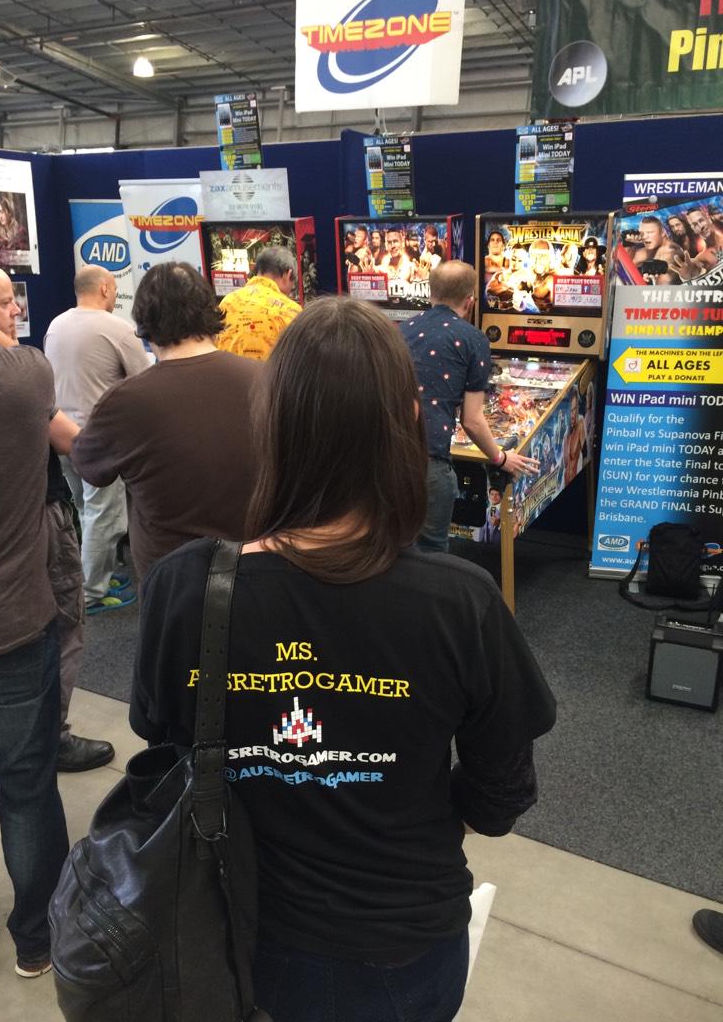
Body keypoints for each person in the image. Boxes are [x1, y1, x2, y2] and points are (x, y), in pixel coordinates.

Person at [130, 296, 556, 1022]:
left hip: (228, 935)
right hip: (404, 945)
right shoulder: (461, 602)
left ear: (271, 422)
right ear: (409, 420)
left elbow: (163, 747)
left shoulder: (182, 586)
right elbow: (501, 797)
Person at [0, 224, 70, 977]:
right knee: (27, 786)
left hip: (1, 624)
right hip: (13, 622)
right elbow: (1, 344)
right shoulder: (27, 377)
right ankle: (37, 938)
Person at [0, 266, 114, 772]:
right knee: (59, 627)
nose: (17, 309)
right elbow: (72, 441)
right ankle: (50, 738)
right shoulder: (15, 373)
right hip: (37, 522)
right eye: (2, 302)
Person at [71, 262, 260, 583]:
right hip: (258, 571)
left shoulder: (125, 401)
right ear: (208, 309)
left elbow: (89, 467)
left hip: (171, 581)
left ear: (144, 319)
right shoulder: (268, 381)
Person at [400, 260, 538, 553]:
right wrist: (500, 458)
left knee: (392, 550)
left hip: (384, 459)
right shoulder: (473, 339)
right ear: (470, 301)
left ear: (429, 293)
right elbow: (472, 420)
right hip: (429, 464)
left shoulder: (401, 330)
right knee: (431, 555)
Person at [44, 265, 151, 614]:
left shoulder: (55, 325)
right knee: (105, 517)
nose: (115, 293)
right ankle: (91, 591)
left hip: (61, 435)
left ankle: (92, 576)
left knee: (85, 511)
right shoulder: (117, 328)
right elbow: (146, 382)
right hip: (100, 439)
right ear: (105, 288)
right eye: (115, 288)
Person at [217, 246, 302, 360]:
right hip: (269, 371)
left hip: (225, 370)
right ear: (288, 274)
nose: (292, 287)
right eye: (293, 282)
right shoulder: (290, 310)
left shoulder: (227, 302)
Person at [672, 205, 723, 280]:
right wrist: (691, 276)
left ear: (708, 218)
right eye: (695, 225)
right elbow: (697, 273)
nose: (700, 226)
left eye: (701, 220)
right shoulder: (701, 259)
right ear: (693, 229)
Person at [628, 218, 680, 284]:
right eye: (641, 233)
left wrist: (651, 267)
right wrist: (629, 243)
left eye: (649, 232)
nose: (644, 237)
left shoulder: (672, 249)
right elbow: (629, 262)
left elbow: (669, 260)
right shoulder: (654, 247)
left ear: (662, 232)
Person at [0, 193, 29, 270]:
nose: (0, 216)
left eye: (2, 211)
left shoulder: (20, 231)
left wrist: (4, 257)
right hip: (1, 274)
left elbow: (23, 259)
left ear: (9, 212)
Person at [562, 387, 587, 485]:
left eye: (575, 409)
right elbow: (563, 468)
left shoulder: (580, 423)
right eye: (570, 411)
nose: (572, 415)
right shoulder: (565, 435)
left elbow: (586, 456)